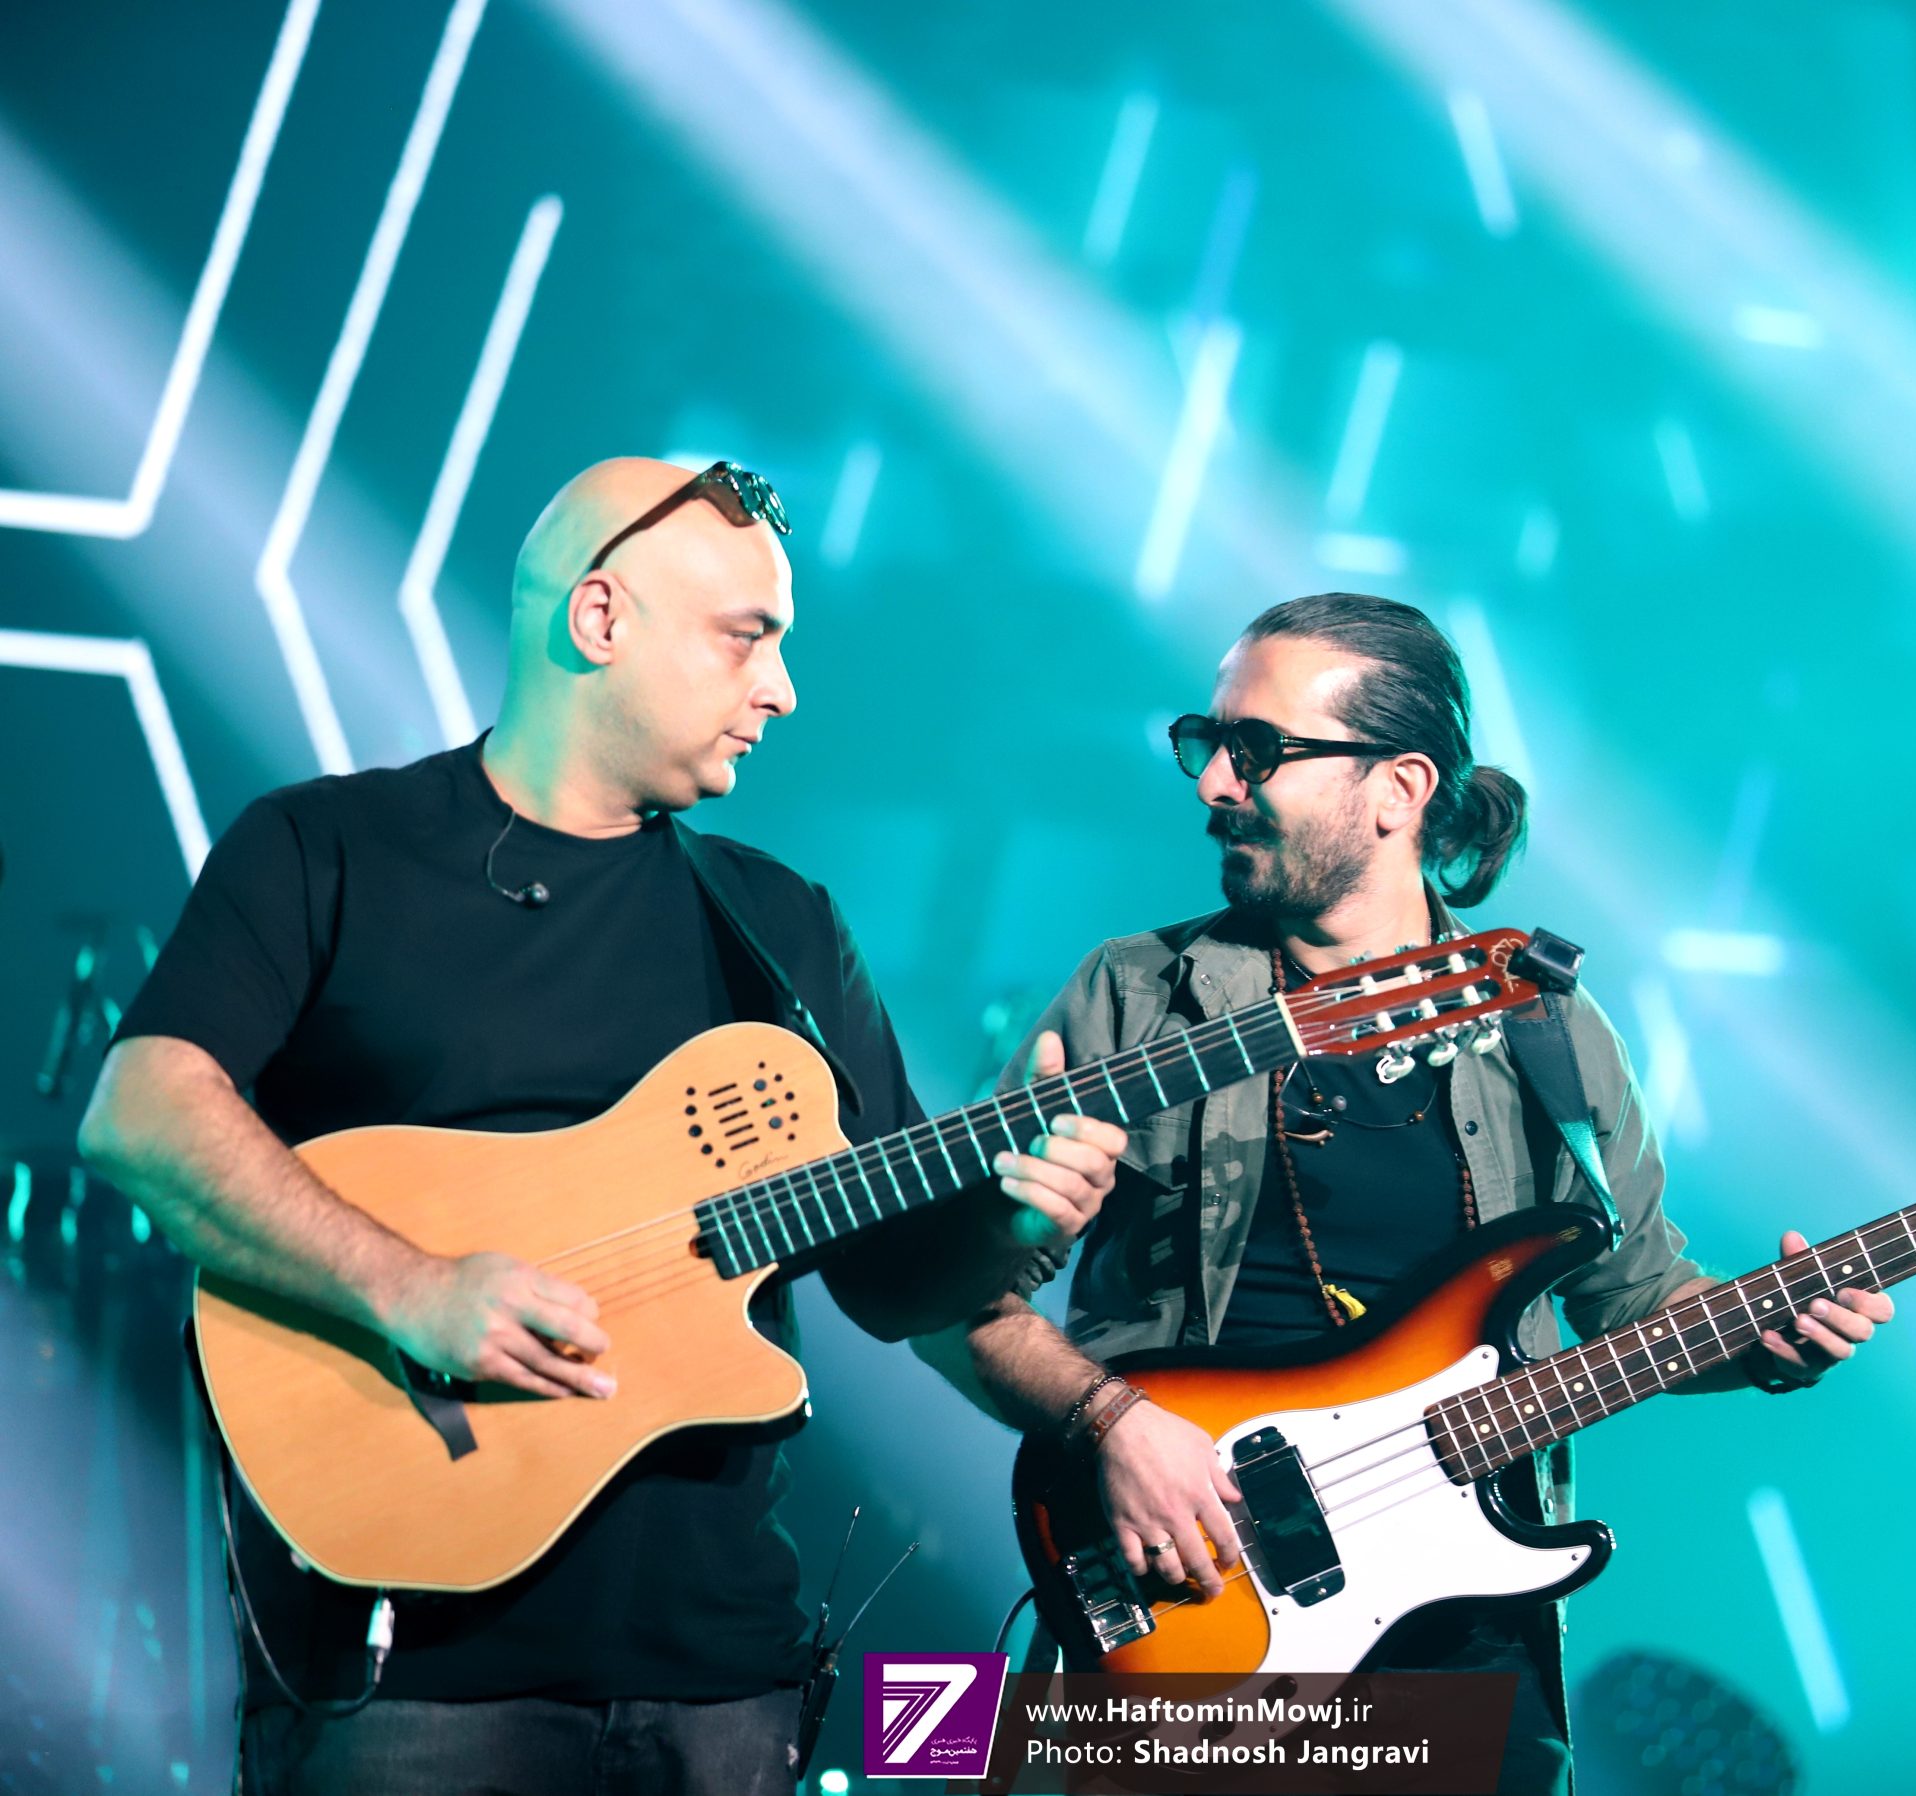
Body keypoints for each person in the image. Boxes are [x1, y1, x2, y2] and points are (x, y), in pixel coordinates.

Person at [77, 459, 1130, 1795]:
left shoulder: (780, 922)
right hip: (411, 1677)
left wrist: (1008, 1217)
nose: (782, 689)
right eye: (747, 637)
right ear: (599, 619)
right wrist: (412, 1287)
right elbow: (141, 1111)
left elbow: (886, 1281)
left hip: (722, 1678)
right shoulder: (326, 847)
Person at [921, 592, 1894, 1795]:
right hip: (1192, 1628)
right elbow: (942, 1299)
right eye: (1206, 741)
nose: (1213, 781)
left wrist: (1766, 1337)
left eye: (1256, 748)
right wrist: (1108, 1421)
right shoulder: (1133, 995)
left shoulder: (1548, 1027)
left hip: (1464, 1665)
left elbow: (1638, 1297)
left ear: (1400, 787)